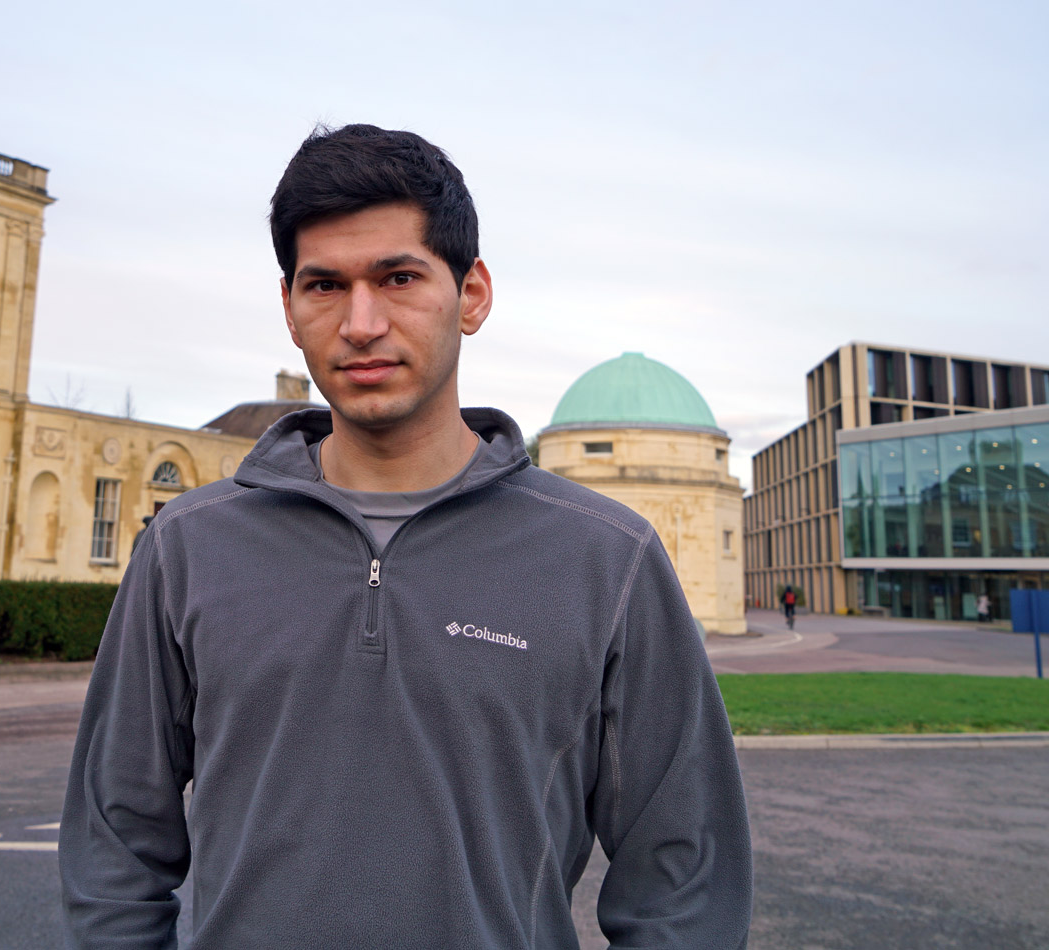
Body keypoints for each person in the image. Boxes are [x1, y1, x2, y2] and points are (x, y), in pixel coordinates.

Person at [59, 124, 752, 949]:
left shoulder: (608, 558)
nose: (360, 323)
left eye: (398, 278)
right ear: (289, 307)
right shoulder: (188, 547)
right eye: (324, 285)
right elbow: (114, 846)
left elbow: (684, 881)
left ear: (472, 295)